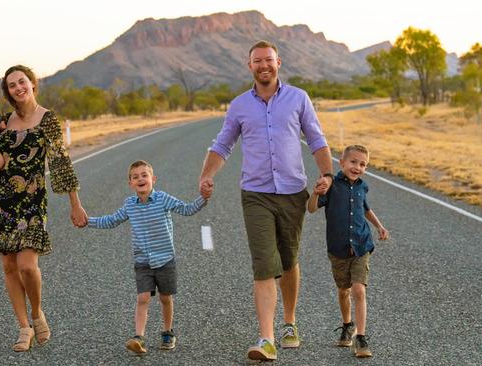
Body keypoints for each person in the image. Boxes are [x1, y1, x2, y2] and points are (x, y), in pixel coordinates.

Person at [198, 40, 334, 361]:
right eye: (257, 61)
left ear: (278, 62)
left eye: (268, 60)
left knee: (288, 261)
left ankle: (289, 322)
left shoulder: (298, 98)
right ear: (250, 66)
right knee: (263, 264)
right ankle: (267, 338)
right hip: (255, 194)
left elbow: (316, 137)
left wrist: (327, 174)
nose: (264, 65)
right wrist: (206, 176)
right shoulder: (239, 105)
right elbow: (223, 144)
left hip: (292, 193)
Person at [0, 65, 88, 352]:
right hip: (1, 201)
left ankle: (37, 313)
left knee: (27, 266)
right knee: (9, 267)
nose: (18, 88)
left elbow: (61, 163)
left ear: (32, 84)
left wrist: (75, 204)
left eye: (22, 81)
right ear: (8, 91)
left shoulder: (47, 119)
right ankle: (23, 326)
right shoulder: (1, 122)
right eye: (11, 85)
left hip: (33, 201)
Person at [86, 160, 208, 355]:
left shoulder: (163, 199)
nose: (140, 179)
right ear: (130, 183)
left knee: (165, 298)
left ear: (153, 179)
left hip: (165, 259)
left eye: (144, 175)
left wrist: (203, 198)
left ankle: (167, 332)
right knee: (142, 298)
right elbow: (111, 220)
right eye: (135, 177)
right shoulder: (129, 205)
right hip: (142, 261)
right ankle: (139, 337)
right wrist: (87, 221)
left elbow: (186, 209)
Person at [307, 144, 389, 358]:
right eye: (353, 162)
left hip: (361, 245)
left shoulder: (363, 186)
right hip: (338, 249)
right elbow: (312, 208)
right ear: (341, 162)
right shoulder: (332, 185)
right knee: (344, 291)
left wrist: (379, 226)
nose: (357, 167)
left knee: (358, 290)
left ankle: (361, 338)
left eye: (363, 164)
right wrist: (315, 193)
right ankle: (347, 325)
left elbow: (365, 209)